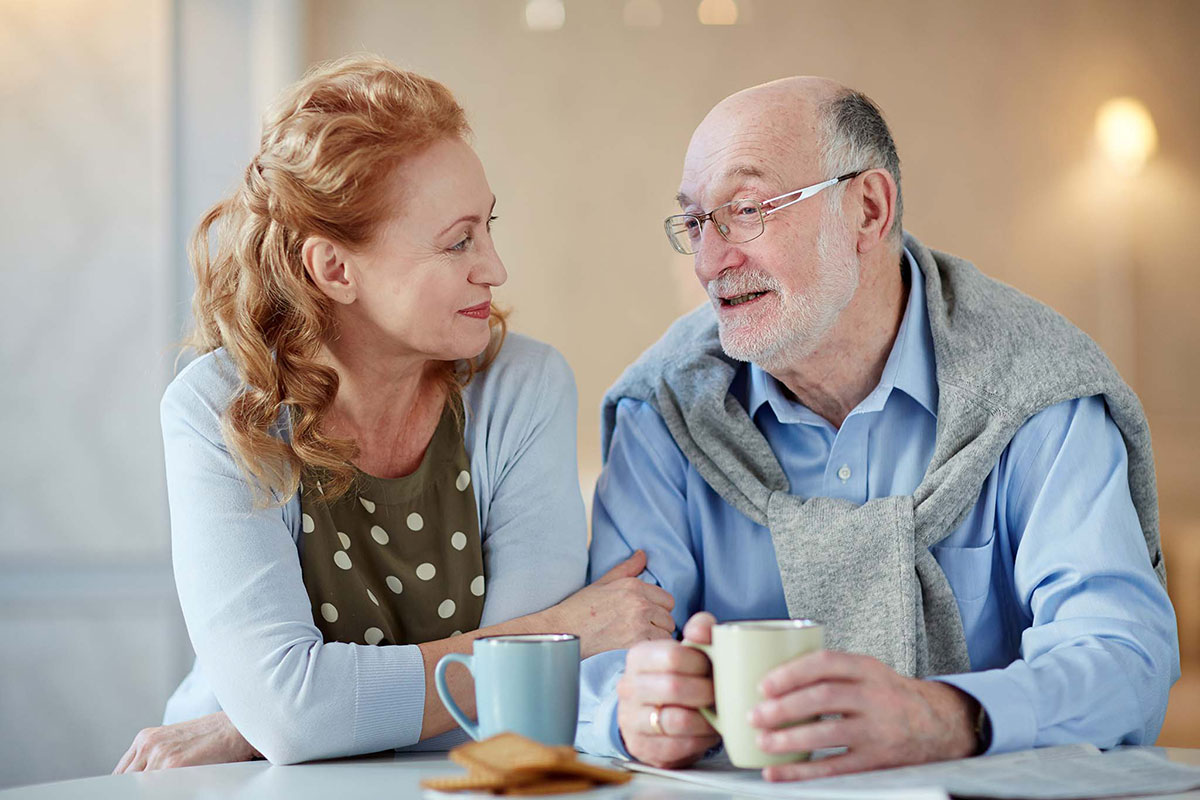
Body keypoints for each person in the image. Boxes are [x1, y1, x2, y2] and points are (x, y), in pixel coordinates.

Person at [575, 77, 1179, 781]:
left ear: (867, 208)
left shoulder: (1039, 389)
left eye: (745, 210)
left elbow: (1122, 658)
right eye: (696, 223)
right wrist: (634, 711)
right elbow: (603, 662)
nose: (711, 262)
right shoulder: (664, 410)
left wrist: (944, 716)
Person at [114, 55, 676, 772]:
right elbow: (300, 713)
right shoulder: (219, 409)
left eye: (488, 227)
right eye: (459, 241)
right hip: (233, 781)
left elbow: (521, 707)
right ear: (335, 270)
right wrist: (562, 627)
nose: (495, 269)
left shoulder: (523, 386)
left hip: (374, 768)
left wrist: (273, 719)